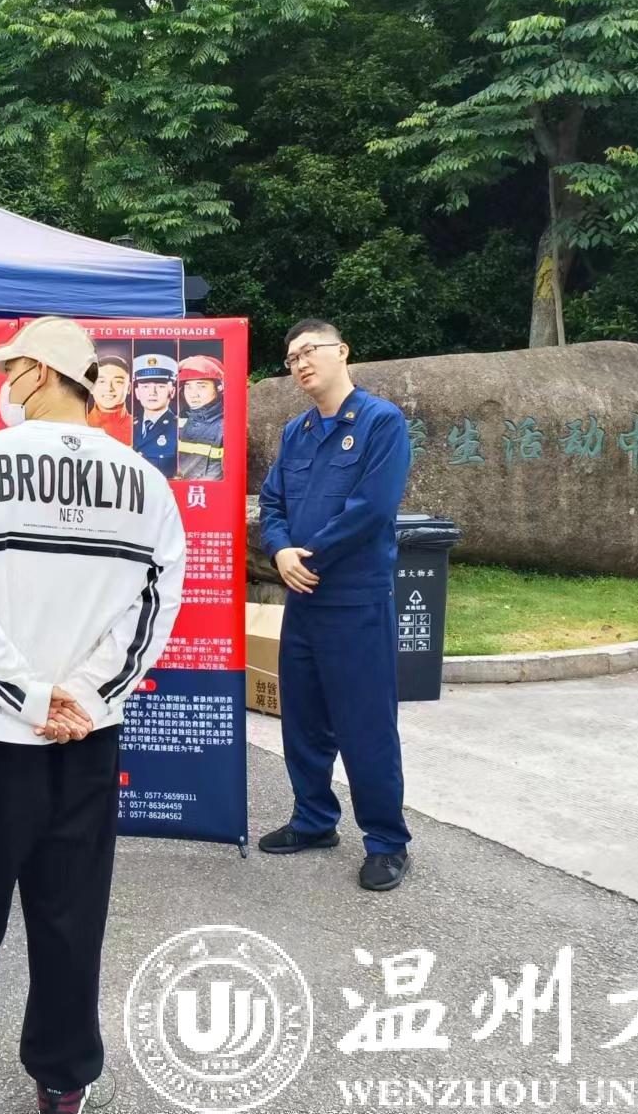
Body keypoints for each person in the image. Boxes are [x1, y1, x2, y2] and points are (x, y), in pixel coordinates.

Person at [0, 316, 186, 1114]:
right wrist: (81, 697)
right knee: (71, 916)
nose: (3, 386)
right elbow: (155, 610)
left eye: (10, 372)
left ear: (42, 374)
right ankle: (64, 1076)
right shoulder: (145, 482)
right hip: (86, 739)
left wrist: (27, 696)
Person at [256, 318, 413, 892]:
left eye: (309, 351)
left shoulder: (380, 422)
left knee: (365, 726)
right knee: (303, 721)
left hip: (354, 601)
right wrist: (279, 551)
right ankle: (314, 820)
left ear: (341, 351)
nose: (300, 363)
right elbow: (272, 501)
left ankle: (387, 842)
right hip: (302, 601)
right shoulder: (296, 432)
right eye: (291, 357)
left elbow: (373, 507)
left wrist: (308, 557)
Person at [176, 355, 226, 481]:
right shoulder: (180, 424)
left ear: (219, 387)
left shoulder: (226, 428)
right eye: (188, 386)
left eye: (201, 386)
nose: (193, 394)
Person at [131, 353, 179, 477]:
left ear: (172, 392)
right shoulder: (128, 425)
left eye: (160, 386)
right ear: (137, 393)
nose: (152, 393)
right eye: (145, 386)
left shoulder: (181, 430)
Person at [86, 350, 133, 445]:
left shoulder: (140, 429)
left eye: (117, 382)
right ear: (91, 387)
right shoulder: (79, 425)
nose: (109, 388)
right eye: (101, 381)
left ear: (128, 388)